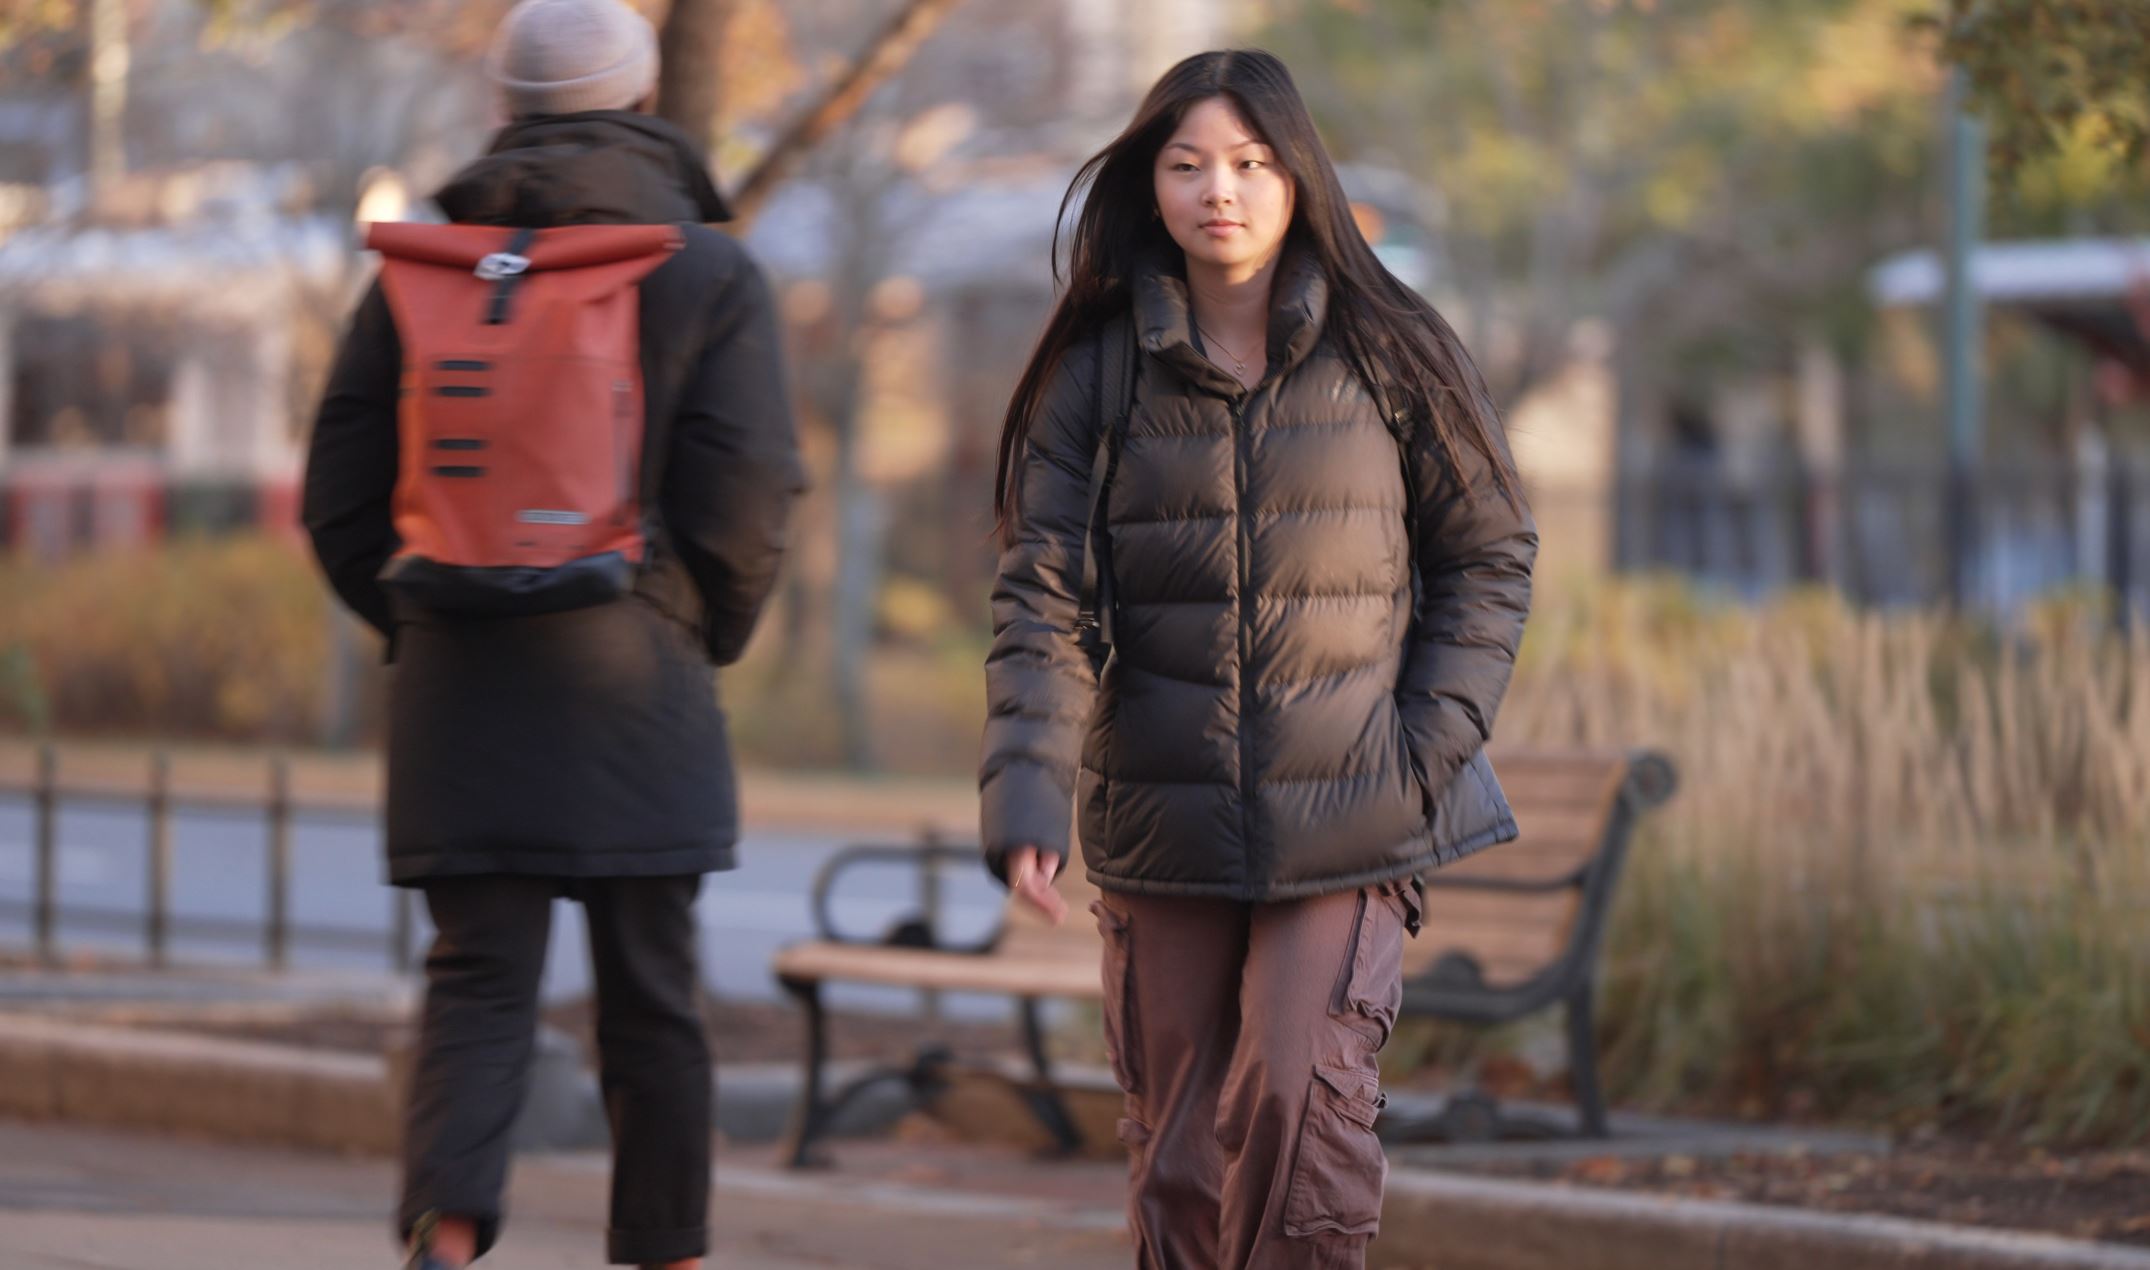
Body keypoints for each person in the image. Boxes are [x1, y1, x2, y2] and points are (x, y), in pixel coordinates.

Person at [979, 49, 1536, 1269]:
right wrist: (1024, 789)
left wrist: (1424, 747)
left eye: (1247, 162)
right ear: (1151, 185)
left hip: (1352, 809)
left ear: (1297, 179)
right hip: (1160, 813)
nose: (1216, 190)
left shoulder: (1392, 347)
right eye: (1185, 166)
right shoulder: (1099, 369)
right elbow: (1044, 597)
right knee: (1175, 1150)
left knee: (1294, 1097)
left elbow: (1489, 555)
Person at [302, 1, 805, 1266]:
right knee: (653, 995)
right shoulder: (703, 269)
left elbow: (339, 498)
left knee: (475, 982)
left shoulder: (420, 275)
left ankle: (448, 1233)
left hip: (459, 693)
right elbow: (746, 496)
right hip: (638, 677)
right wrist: (697, 629)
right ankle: (665, 1251)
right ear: (644, 101)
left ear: (503, 108)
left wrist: (429, 613)